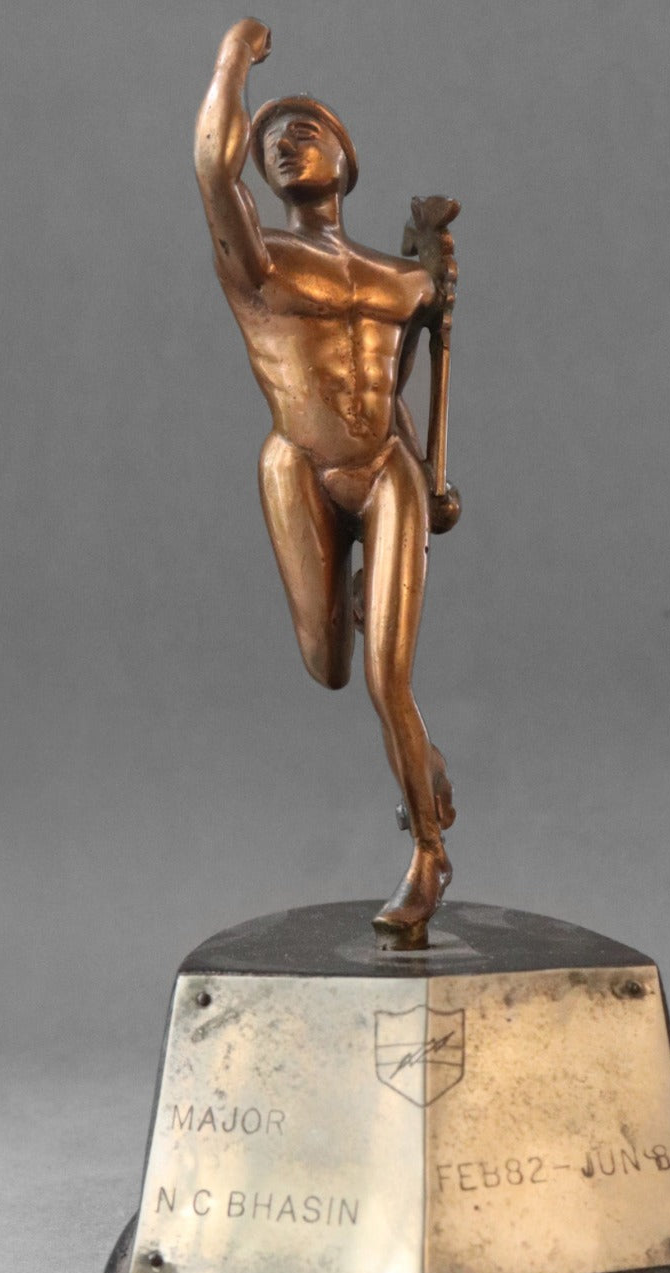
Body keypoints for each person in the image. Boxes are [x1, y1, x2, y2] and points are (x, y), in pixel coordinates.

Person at [195, 19, 460, 947]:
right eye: (271, 136)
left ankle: (427, 853)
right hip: (301, 466)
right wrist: (233, 57)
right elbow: (211, 170)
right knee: (330, 666)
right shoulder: (258, 257)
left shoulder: (397, 279)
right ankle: (364, 623)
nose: (283, 141)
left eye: (305, 129)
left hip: (386, 469)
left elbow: (405, 373)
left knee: (389, 676)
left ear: (347, 163)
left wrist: (431, 261)